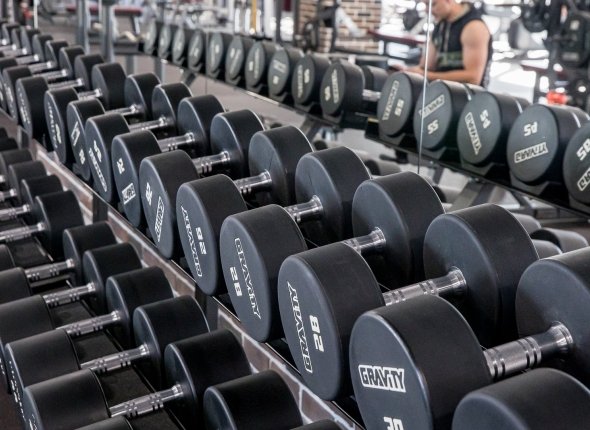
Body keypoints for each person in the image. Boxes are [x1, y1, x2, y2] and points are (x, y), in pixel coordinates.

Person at [406, 0, 492, 86]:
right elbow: (427, 66)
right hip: (440, 90)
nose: (428, 10)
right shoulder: (440, 25)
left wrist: (426, 75)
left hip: (466, 93)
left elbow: (473, 78)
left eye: (433, 4)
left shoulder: (473, 26)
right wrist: (408, 71)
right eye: (426, 5)